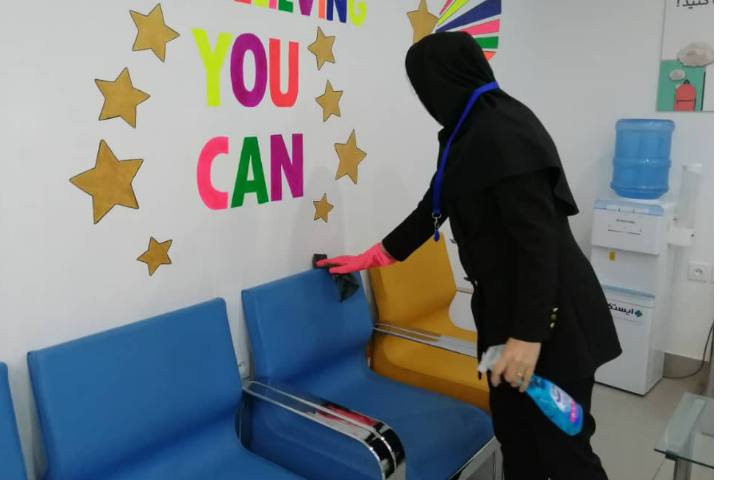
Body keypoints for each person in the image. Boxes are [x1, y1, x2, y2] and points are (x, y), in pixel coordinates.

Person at [318, 32, 621, 480]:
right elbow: (435, 204)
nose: (424, 99)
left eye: (423, 87)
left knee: (564, 450)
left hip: (552, 327)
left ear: (444, 80)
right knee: (515, 434)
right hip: (504, 318)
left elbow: (539, 244)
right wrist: (375, 256)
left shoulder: (503, 132)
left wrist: (528, 338)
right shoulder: (468, 132)